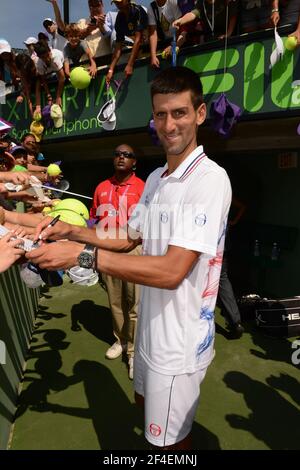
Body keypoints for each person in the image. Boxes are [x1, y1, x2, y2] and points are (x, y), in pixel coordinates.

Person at [27, 66, 232, 449]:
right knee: (142, 408)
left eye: (179, 113)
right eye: (160, 114)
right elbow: (126, 237)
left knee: (169, 446)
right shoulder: (155, 179)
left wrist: (83, 257)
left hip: (179, 344)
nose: (169, 125)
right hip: (150, 336)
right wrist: (70, 230)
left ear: (200, 114)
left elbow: (173, 271)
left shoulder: (210, 179)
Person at [90, 144, 144, 379]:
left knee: (135, 304)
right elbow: (94, 218)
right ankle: (120, 341)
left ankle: (133, 352)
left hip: (134, 250)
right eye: (118, 154)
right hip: (107, 250)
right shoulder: (101, 187)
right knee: (115, 301)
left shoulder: (144, 187)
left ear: (134, 162)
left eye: (127, 155)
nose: (121, 157)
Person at [218, 197, 246, 339]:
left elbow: (241, 206)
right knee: (223, 280)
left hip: (206, 244)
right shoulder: (224, 189)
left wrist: (233, 222)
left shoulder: (201, 186)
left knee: (199, 281)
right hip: (222, 243)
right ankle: (235, 322)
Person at [106, 0, 148, 83]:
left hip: (151, 47)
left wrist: (130, 64)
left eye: (120, 2)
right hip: (139, 47)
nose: (117, 5)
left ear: (128, 1)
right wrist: (111, 69)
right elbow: (118, 46)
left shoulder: (138, 11)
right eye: (115, 3)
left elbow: (138, 39)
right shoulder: (119, 17)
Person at [34, 41, 65, 111]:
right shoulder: (39, 64)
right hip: (52, 73)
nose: (46, 59)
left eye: (47, 55)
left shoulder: (56, 57)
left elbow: (62, 78)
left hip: (64, 65)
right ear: (39, 57)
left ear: (49, 51)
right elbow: (43, 80)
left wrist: (58, 97)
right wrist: (48, 94)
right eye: (43, 57)